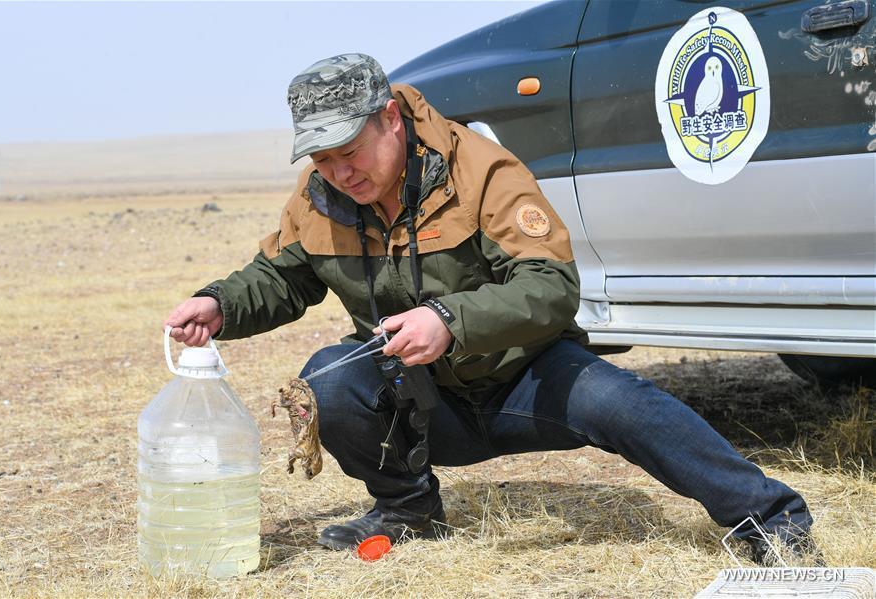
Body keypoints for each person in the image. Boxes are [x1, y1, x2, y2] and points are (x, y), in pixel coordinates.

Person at [164, 53, 820, 565]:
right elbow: (281, 275)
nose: (338, 171)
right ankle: (407, 511)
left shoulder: (478, 169)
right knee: (329, 379)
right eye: (322, 157)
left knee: (623, 404)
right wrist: (218, 304)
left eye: (349, 151)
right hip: (421, 398)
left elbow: (551, 284)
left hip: (524, 378)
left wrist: (449, 321)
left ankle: (771, 518)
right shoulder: (319, 194)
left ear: (389, 117)